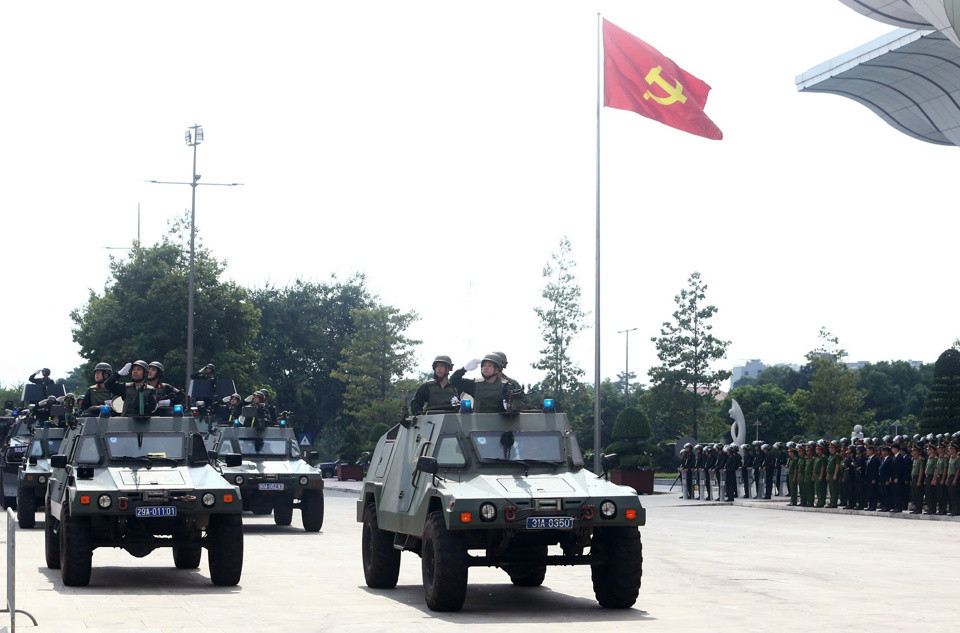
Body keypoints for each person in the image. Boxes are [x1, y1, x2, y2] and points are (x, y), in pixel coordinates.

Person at [449, 354, 518, 413]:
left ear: (497, 369)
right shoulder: (475, 385)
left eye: (489, 366)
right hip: (478, 426)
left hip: (499, 426)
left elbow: (514, 408)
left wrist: (510, 406)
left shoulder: (506, 386)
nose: (485, 368)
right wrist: (464, 369)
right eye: (484, 365)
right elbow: (453, 381)